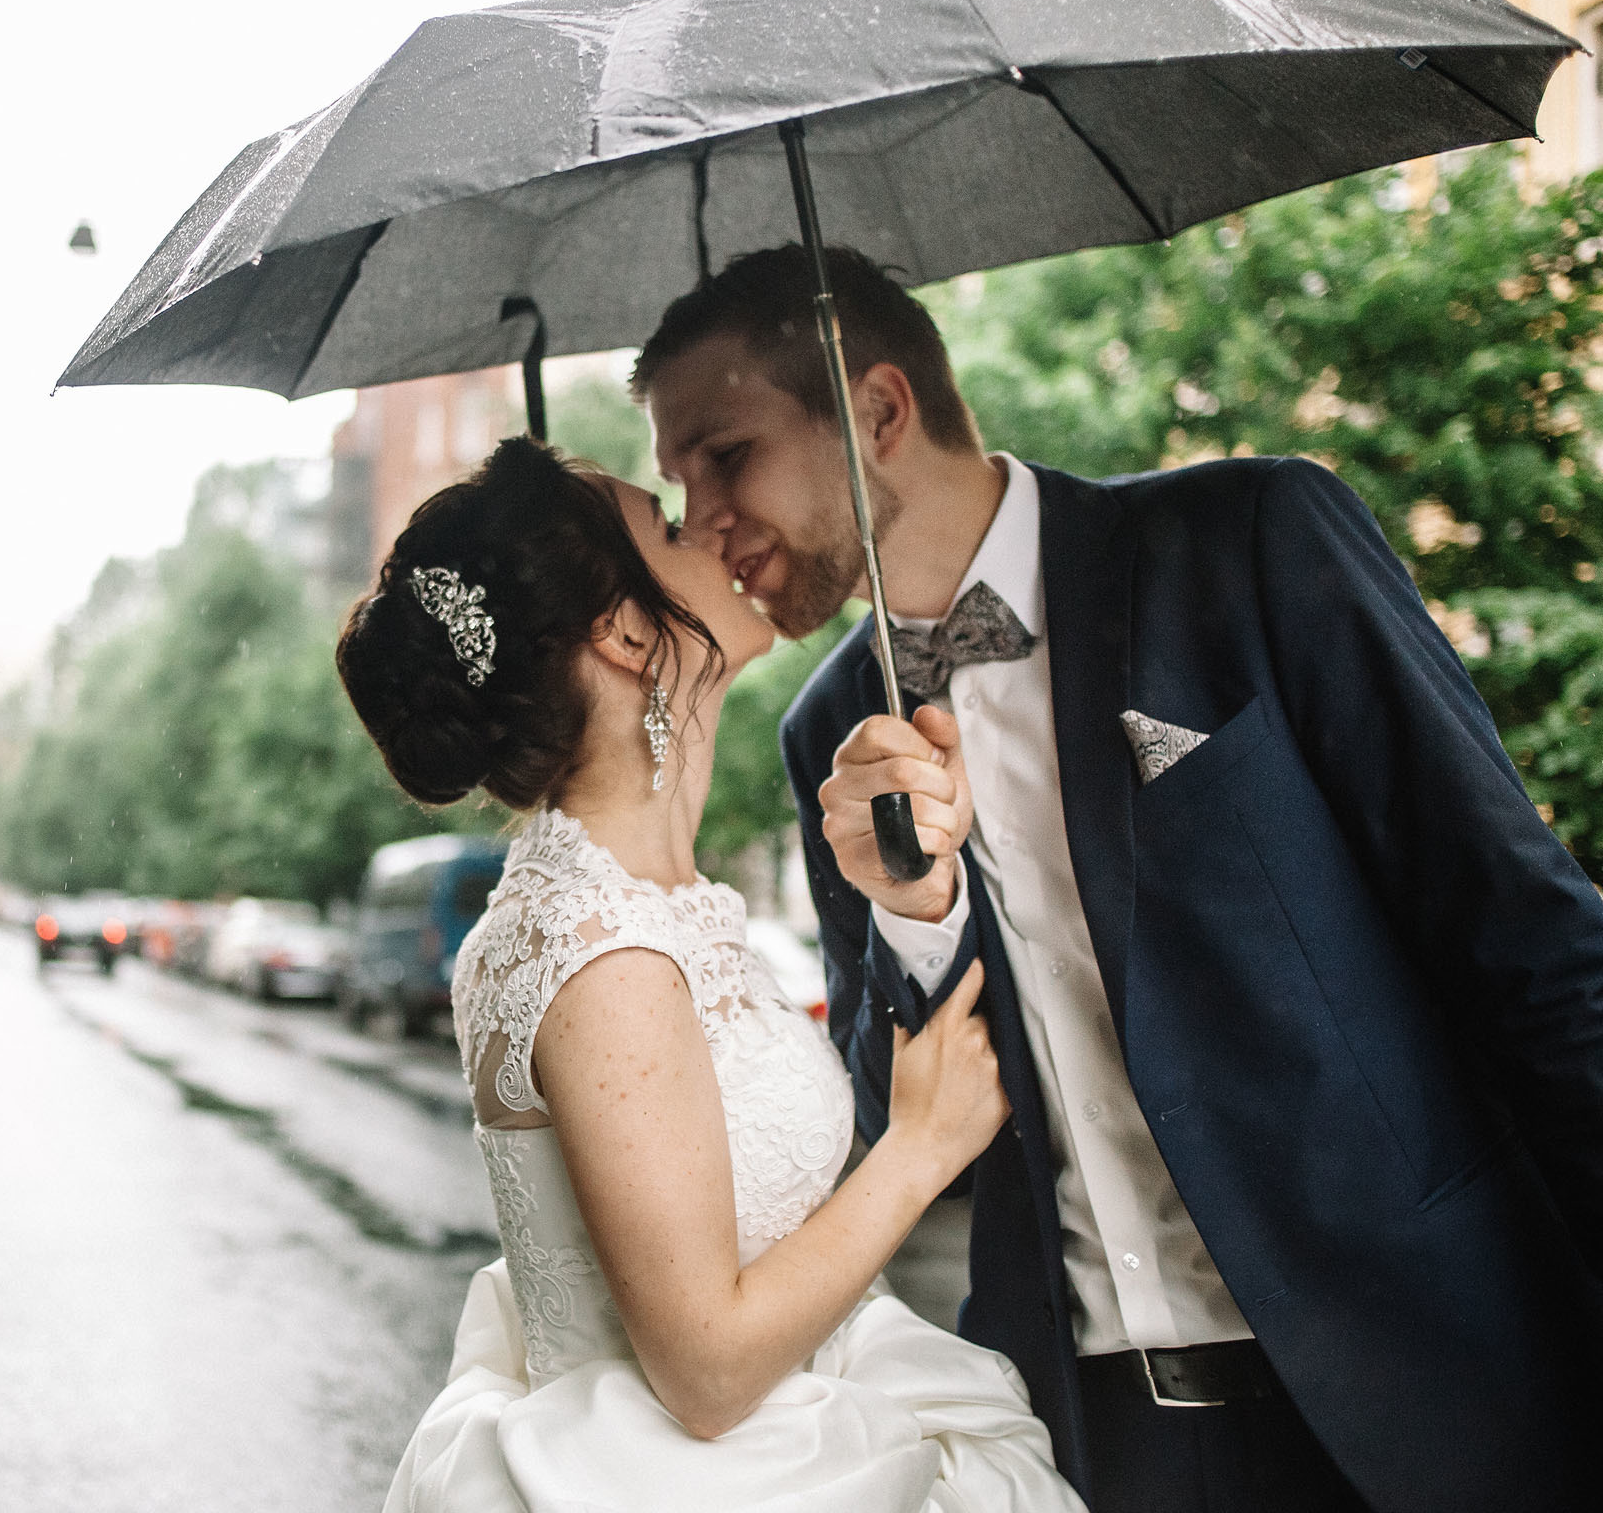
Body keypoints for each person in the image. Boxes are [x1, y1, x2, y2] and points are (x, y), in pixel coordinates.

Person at [637, 245, 1603, 1513]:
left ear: (877, 410)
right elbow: (889, 1121)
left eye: (724, 455)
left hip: (1417, 1372)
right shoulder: (829, 732)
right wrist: (912, 916)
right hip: (1086, 1428)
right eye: (677, 481)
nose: (703, 516)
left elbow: (1525, 937)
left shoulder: (1249, 541)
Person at [337, 438, 1085, 1513]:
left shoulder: (634, 905)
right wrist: (917, 1152)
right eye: (672, 526)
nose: (712, 527)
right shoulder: (606, 955)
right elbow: (707, 1370)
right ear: (628, 631)